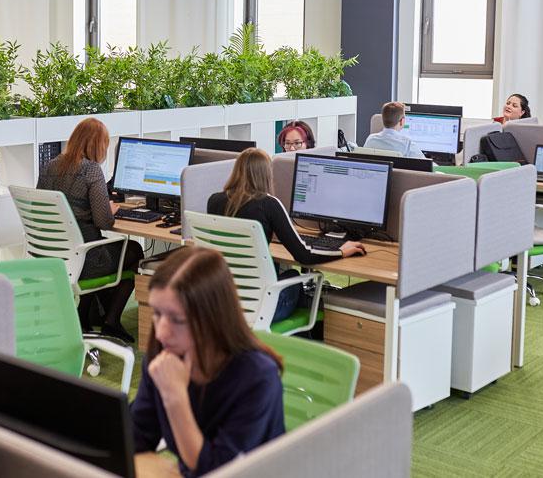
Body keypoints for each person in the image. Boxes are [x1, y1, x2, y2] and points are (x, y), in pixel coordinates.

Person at [131, 246, 285, 476]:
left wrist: (175, 398)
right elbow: (136, 438)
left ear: (212, 319)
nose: (161, 333)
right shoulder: (165, 356)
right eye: (157, 313)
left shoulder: (257, 378)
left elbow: (216, 471)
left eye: (177, 319)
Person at [206, 148, 365, 322]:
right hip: (261, 310)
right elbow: (304, 255)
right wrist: (341, 251)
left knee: (288, 276)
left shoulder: (214, 201)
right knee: (294, 276)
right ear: (266, 174)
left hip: (224, 305)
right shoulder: (268, 204)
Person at [37, 117, 142, 340]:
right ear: (97, 146)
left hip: (54, 256)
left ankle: (84, 316)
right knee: (133, 251)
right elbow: (104, 222)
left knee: (102, 249)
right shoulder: (91, 170)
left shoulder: (50, 166)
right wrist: (109, 209)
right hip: (84, 259)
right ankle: (111, 320)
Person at [362, 101, 427, 158]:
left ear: (383, 119)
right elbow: (425, 164)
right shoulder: (408, 144)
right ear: (402, 121)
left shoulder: (371, 139)